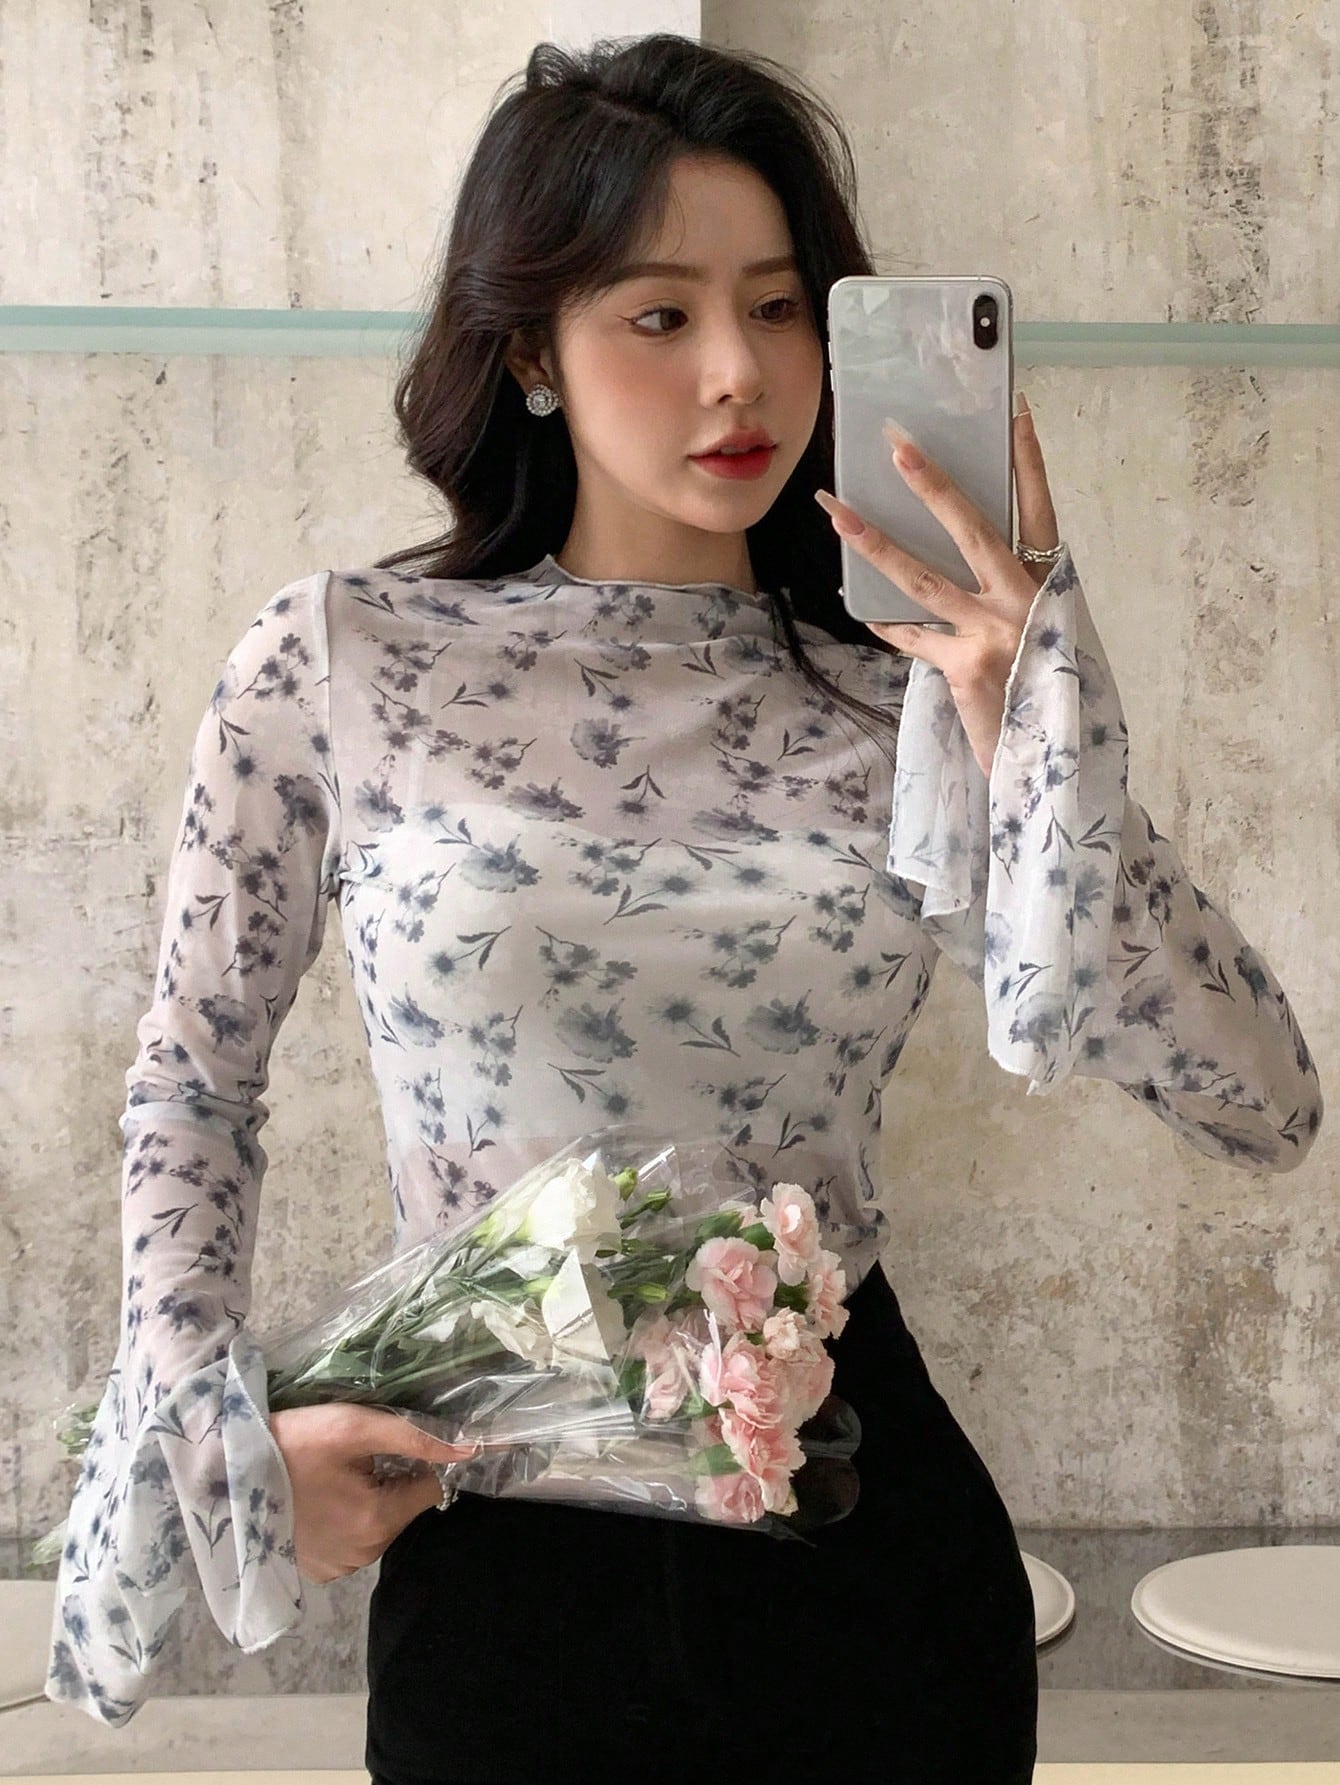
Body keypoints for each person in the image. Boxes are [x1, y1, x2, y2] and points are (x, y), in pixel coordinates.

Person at [44, 31, 1322, 1785]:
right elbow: (194, 1081)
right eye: (661, 315)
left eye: (782, 308)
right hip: (496, 1559)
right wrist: (224, 1436)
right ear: (530, 349)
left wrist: (1045, 728)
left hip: (865, 1563)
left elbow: (1263, 1101)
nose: (740, 372)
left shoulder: (901, 696)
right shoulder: (343, 658)